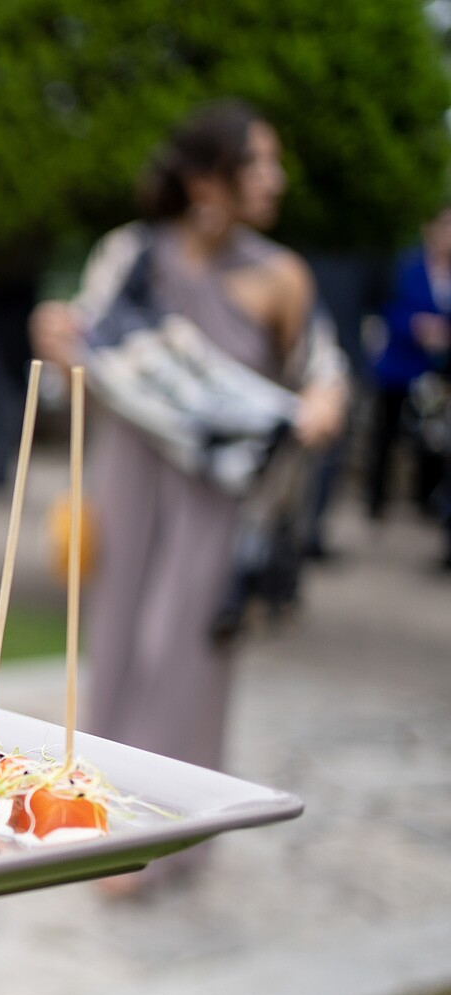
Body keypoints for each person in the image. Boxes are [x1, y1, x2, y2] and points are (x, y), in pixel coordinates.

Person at [32, 101, 348, 890]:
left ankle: (169, 834)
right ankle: (96, 821)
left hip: (217, 496)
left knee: (184, 656)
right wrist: (58, 340)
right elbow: (87, 359)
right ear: (208, 180)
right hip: (129, 473)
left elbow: (323, 370)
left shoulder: (281, 275)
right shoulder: (130, 254)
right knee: (115, 645)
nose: (276, 179)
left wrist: (323, 405)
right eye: (258, 163)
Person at [366, 206, 451, 532]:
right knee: (386, 433)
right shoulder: (407, 266)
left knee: (433, 438)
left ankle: (427, 501)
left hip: (436, 369)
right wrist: (415, 326)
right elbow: (388, 306)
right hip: (400, 364)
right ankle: (376, 499)